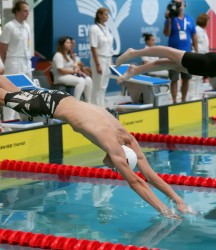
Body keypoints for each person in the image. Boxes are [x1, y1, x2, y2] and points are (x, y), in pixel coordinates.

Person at [0, 75, 192, 219]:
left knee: (15, 93)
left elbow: (150, 176)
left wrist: (179, 201)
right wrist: (165, 211)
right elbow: (137, 182)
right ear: (121, 159)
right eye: (117, 167)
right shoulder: (113, 147)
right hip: (48, 106)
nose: (110, 166)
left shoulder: (127, 138)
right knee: (6, 98)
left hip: (59, 97)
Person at [115, 46, 216, 100]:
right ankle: (134, 53)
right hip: (214, 63)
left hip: (215, 69)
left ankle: (136, 70)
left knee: (174, 64)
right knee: (171, 55)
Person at [0, 1, 32, 121]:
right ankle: (8, 119)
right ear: (17, 12)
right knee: (10, 91)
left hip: (26, 61)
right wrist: (6, 62)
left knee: (25, 90)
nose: (27, 13)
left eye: (28, 11)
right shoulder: (9, 26)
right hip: (13, 62)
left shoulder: (27, 26)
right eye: (25, 10)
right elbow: (2, 47)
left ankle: (17, 116)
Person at [163, 0, 198, 103]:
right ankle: (174, 101)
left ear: (184, 4)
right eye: (176, 3)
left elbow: (194, 36)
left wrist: (196, 51)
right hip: (173, 54)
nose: (178, 5)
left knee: (186, 78)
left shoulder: (189, 19)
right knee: (174, 79)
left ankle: (183, 100)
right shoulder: (171, 18)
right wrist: (169, 19)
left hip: (187, 54)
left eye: (180, 3)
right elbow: (166, 33)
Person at [52, 36, 93, 102]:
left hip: (70, 75)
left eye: (70, 43)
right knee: (81, 81)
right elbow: (61, 70)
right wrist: (74, 71)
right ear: (62, 44)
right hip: (60, 77)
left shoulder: (69, 55)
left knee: (88, 79)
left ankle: (88, 102)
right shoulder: (58, 55)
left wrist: (77, 68)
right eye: (67, 43)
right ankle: (76, 102)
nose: (70, 44)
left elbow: (75, 65)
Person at [89, 7, 114, 107]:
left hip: (108, 59)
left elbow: (109, 46)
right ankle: (95, 106)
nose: (108, 17)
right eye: (106, 14)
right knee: (97, 85)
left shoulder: (106, 28)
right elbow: (93, 47)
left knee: (104, 85)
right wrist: (97, 64)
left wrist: (111, 61)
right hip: (99, 59)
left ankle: (102, 105)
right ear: (99, 15)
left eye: (108, 15)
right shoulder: (94, 28)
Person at [196, 13, 210, 83]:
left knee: (202, 76)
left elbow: (205, 44)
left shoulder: (204, 31)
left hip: (204, 55)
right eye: (207, 21)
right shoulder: (196, 30)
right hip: (198, 55)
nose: (208, 23)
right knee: (197, 76)